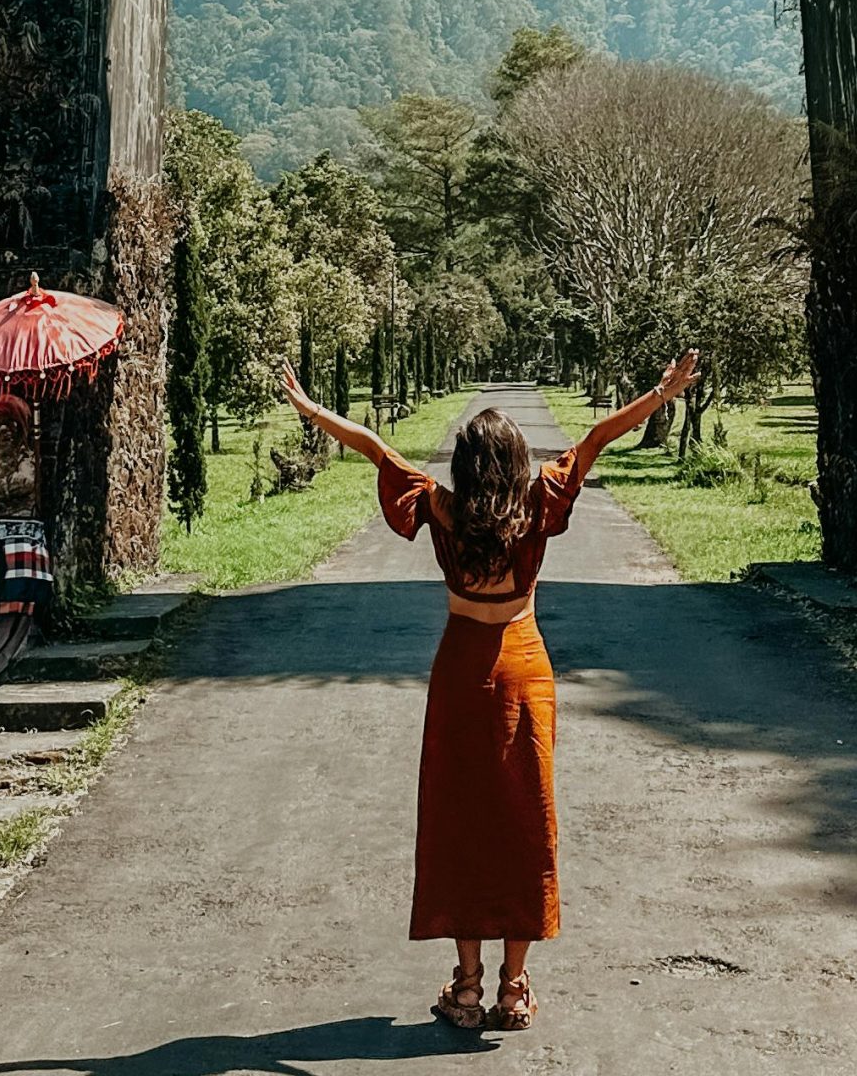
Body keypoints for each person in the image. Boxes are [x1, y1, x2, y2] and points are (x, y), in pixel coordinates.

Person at [280, 354, 699, 1034]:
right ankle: (514, 986)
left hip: (459, 672)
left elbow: (375, 449)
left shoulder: (440, 508)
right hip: (525, 670)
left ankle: (468, 989)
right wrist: (662, 390)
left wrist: (312, 410)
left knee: (458, 821)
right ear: (516, 462)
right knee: (523, 821)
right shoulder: (538, 505)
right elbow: (596, 438)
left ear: (467, 466)